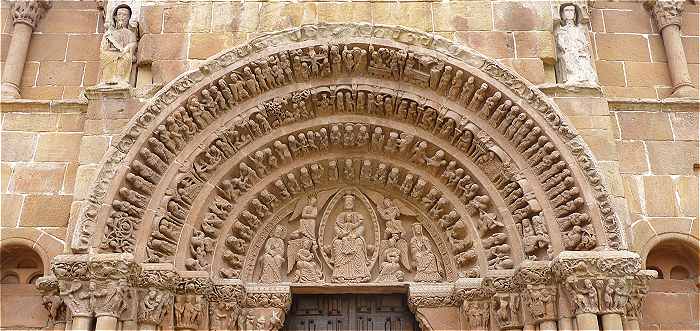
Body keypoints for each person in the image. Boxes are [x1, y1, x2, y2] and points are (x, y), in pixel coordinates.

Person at [99, 5, 137, 85]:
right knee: (107, 56)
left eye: (125, 15)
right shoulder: (109, 33)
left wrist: (127, 48)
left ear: (129, 18)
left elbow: (133, 43)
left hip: (123, 53)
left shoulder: (130, 33)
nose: (122, 17)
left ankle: (120, 80)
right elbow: (103, 47)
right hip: (109, 53)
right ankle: (107, 79)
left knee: (126, 57)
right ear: (115, 17)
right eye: (119, 14)